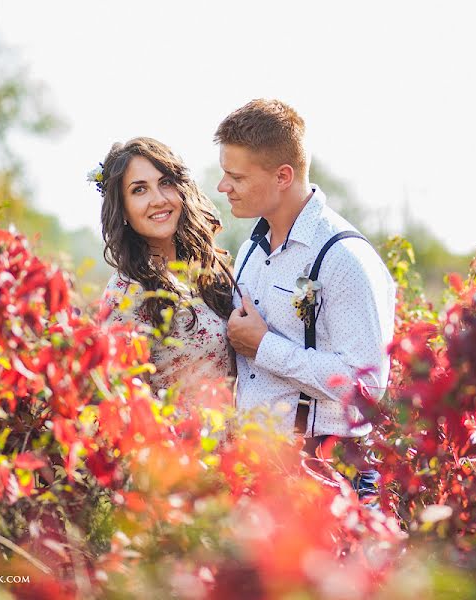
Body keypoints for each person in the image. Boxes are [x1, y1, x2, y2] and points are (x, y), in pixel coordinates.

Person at [215, 99, 395, 499]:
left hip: (325, 476)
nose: (222, 187)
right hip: (259, 471)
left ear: (283, 176)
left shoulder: (344, 259)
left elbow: (367, 387)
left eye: (236, 177)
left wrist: (265, 347)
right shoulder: (251, 249)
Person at [95, 137, 235, 402]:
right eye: (139, 190)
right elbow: (124, 405)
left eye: (165, 183)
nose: (158, 199)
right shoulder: (125, 295)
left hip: (233, 439)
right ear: (122, 209)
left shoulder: (206, 271)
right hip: (177, 442)